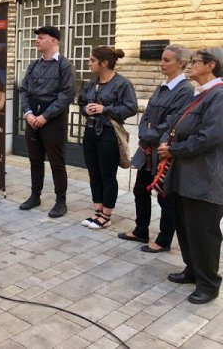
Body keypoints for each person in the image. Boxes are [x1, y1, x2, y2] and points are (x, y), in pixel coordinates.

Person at [158, 47, 223, 305]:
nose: (191, 65)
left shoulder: (218, 96)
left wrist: (173, 149)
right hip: (185, 176)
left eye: (196, 62)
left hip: (205, 178)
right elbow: (176, 123)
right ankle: (192, 270)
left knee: (203, 231)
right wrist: (167, 141)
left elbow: (210, 137)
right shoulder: (200, 94)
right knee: (186, 227)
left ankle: (208, 283)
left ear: (211, 66)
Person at [118, 45, 194, 252]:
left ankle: (164, 240)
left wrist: (151, 139)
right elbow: (147, 116)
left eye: (167, 60)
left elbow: (173, 124)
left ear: (181, 64)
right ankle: (141, 230)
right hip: (147, 149)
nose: (162, 63)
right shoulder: (161, 86)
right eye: (162, 59)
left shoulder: (185, 90)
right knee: (139, 190)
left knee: (164, 196)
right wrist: (144, 137)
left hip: (163, 151)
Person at [19, 26, 76, 218]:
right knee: (35, 160)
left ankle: (61, 201)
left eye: (41, 38)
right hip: (32, 117)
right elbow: (24, 91)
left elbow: (66, 95)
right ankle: (35, 195)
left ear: (54, 41)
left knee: (56, 162)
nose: (37, 40)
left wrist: (45, 116)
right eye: (37, 37)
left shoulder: (65, 66)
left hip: (53, 120)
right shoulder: (33, 65)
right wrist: (27, 113)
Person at [79, 45, 137, 229]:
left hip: (109, 133)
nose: (89, 63)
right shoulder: (91, 83)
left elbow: (130, 108)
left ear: (104, 63)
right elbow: (81, 102)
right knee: (93, 172)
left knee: (107, 174)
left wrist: (106, 109)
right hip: (90, 131)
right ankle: (97, 211)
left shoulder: (122, 84)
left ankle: (106, 215)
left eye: (92, 60)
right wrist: (85, 109)